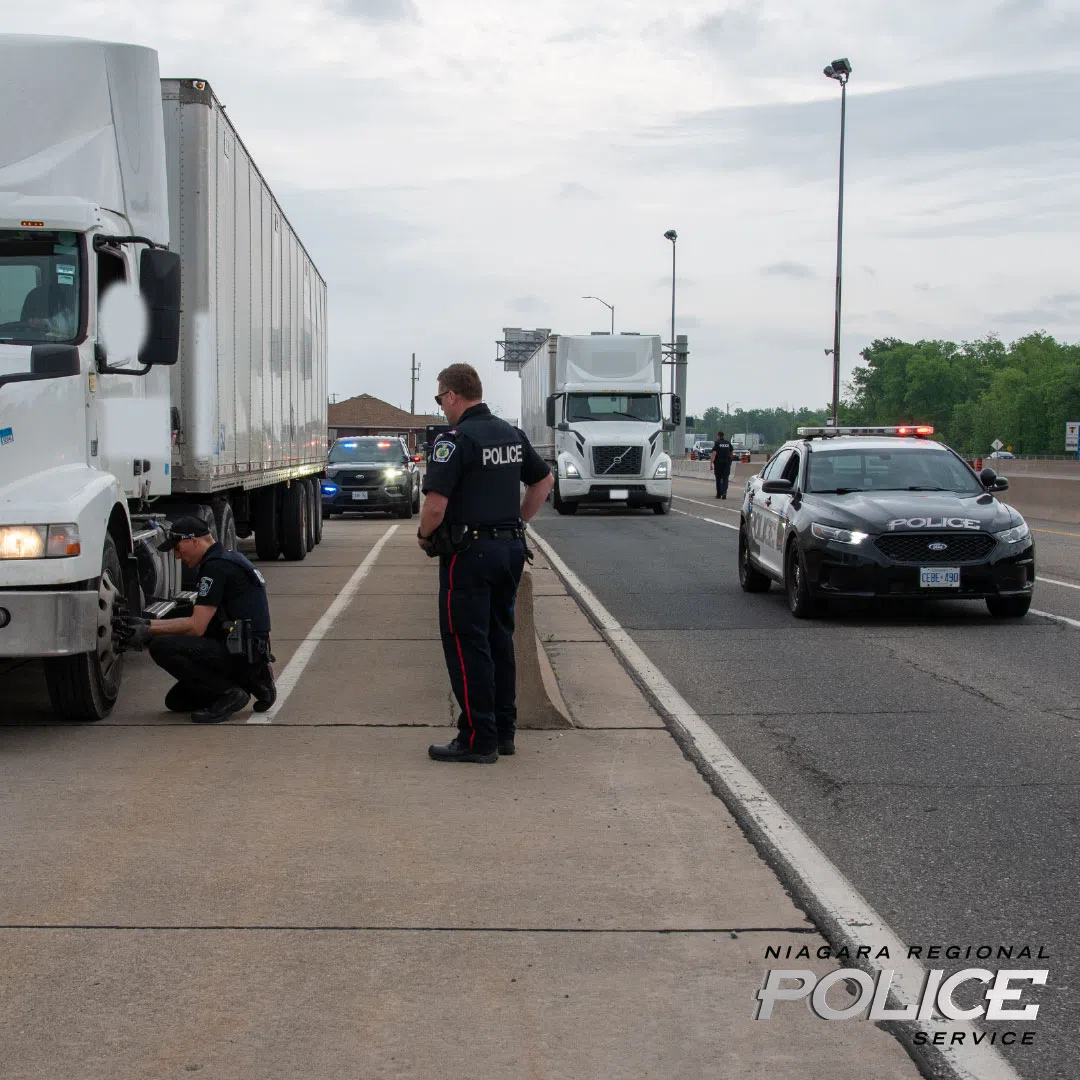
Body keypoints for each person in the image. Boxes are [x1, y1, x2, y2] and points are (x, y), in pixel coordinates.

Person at [418, 363, 555, 763]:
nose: (441, 406)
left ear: (453, 395)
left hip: (469, 557)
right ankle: (503, 732)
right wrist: (516, 522)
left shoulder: (455, 440)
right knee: (500, 640)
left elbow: (435, 508)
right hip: (509, 551)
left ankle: (478, 739)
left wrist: (425, 537)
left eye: (440, 398)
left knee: (466, 644)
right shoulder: (511, 435)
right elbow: (543, 482)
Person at [113, 516, 277, 723]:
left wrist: (148, 631)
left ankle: (230, 692)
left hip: (239, 652)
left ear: (194, 540)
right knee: (177, 702)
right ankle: (255, 681)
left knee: (160, 646)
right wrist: (145, 623)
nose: (177, 555)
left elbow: (196, 627)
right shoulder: (229, 558)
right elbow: (202, 619)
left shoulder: (215, 568)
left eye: (178, 547)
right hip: (248, 650)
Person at [710, 430, 734, 499]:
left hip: (718, 464)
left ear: (718, 436)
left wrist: (711, 464)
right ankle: (724, 493)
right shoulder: (728, 443)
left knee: (718, 479)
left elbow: (714, 454)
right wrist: (730, 461)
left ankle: (718, 494)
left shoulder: (717, 443)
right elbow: (731, 453)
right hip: (726, 464)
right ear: (723, 436)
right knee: (725, 479)